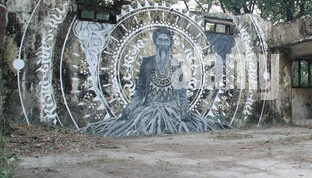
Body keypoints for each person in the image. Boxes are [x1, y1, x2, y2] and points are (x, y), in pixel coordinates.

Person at [82, 27, 228, 137]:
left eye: (166, 40)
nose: (163, 44)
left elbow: (181, 92)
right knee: (130, 126)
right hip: (148, 108)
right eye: (160, 40)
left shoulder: (176, 63)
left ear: (170, 43)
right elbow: (140, 91)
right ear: (155, 42)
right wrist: (131, 107)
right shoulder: (147, 63)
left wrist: (184, 108)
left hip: (172, 110)